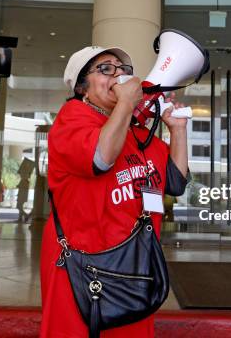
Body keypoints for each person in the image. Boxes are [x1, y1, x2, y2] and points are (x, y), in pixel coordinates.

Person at [40, 45, 189, 337]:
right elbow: (100, 159)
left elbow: (175, 182)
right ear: (82, 87)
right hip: (83, 266)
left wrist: (178, 130)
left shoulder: (134, 131)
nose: (120, 76)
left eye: (124, 71)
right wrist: (125, 105)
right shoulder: (72, 118)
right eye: (106, 69)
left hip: (134, 265)